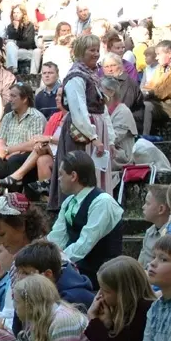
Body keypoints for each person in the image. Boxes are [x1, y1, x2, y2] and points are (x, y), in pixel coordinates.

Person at [49, 35, 111, 210]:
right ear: (81, 52)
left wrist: (110, 139)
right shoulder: (76, 76)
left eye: (97, 50)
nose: (96, 54)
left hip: (96, 130)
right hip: (81, 134)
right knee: (82, 174)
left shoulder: (92, 75)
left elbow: (102, 108)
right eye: (92, 50)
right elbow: (78, 110)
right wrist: (93, 137)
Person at [46, 150, 123, 290]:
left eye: (61, 174)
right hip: (77, 269)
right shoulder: (69, 202)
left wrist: (54, 262)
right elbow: (57, 237)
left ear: (73, 176)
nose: (58, 179)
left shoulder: (102, 202)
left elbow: (85, 244)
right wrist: (43, 256)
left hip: (101, 275)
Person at [138, 185, 171, 269]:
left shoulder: (170, 234)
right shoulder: (150, 232)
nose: (143, 207)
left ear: (161, 209)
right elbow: (140, 262)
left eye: (147, 203)